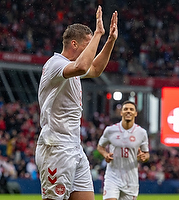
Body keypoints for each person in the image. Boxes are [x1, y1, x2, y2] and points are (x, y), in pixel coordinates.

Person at [35, 5, 118, 200]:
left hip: (73, 147)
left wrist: (110, 41)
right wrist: (98, 32)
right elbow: (82, 66)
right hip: (55, 147)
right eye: (88, 45)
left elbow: (95, 69)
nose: (92, 48)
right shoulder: (56, 64)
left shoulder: (70, 67)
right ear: (74, 44)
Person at [97, 100, 150, 200]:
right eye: (125, 109)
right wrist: (105, 155)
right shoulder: (110, 130)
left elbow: (146, 153)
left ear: (135, 113)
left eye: (131, 109)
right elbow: (100, 147)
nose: (128, 111)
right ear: (121, 112)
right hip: (112, 176)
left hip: (131, 180)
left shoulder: (141, 133)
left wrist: (144, 157)